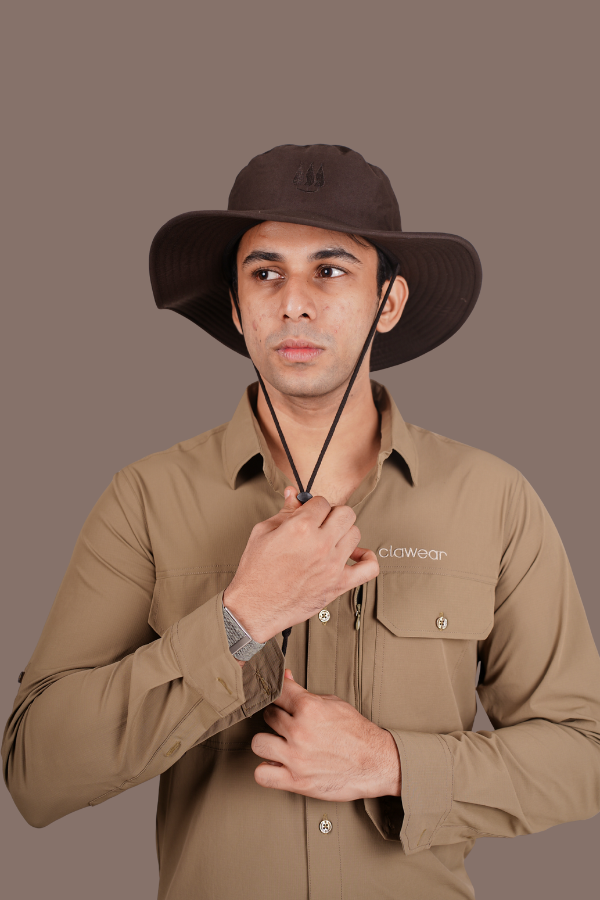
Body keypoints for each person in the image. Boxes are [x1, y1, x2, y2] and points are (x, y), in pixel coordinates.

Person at [3, 143, 600, 900]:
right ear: (236, 306)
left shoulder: (495, 499)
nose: (294, 303)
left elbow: (584, 755)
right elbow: (37, 774)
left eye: (330, 270)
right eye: (265, 274)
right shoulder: (143, 499)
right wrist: (240, 620)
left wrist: (391, 764)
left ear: (388, 302)